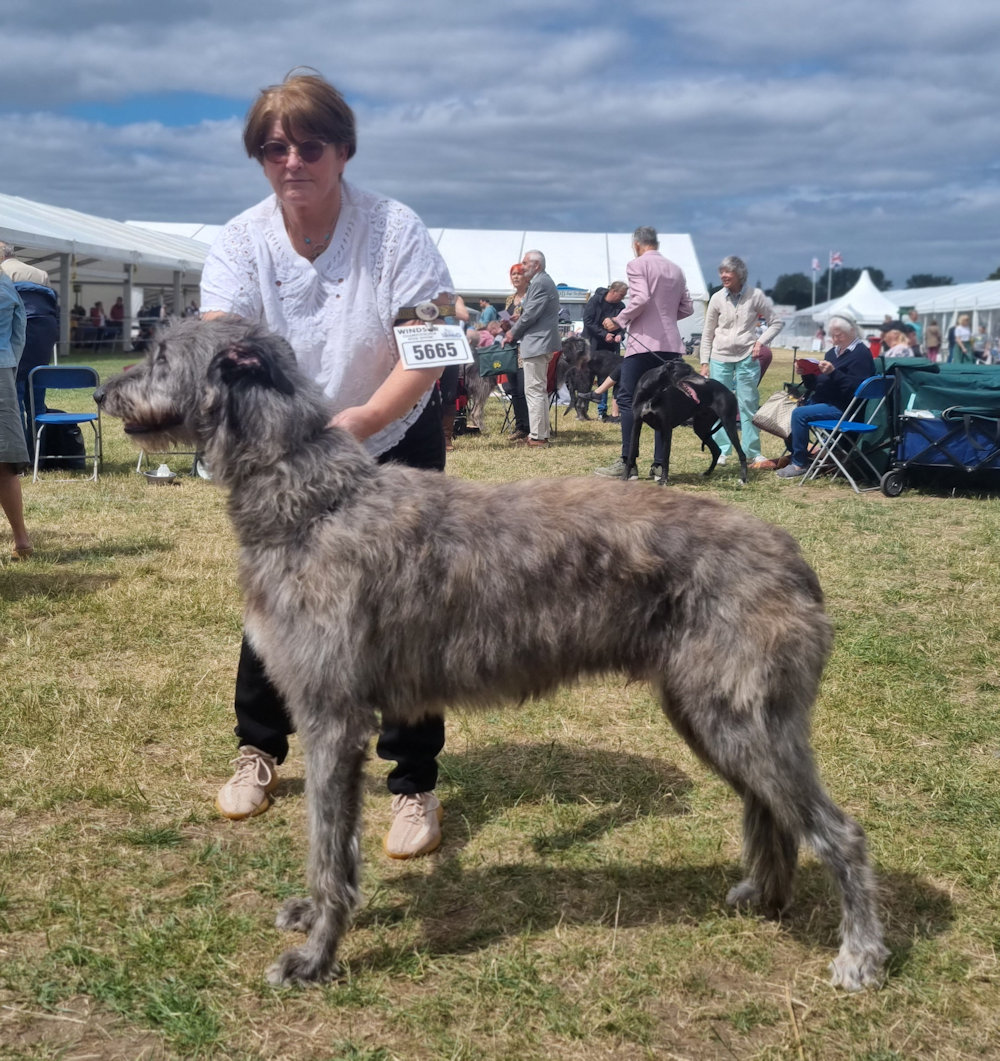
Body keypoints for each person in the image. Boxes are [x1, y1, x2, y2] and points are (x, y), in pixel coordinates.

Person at [199, 71, 454, 859]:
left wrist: (368, 417)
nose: (292, 161)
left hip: (394, 430)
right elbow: (225, 350)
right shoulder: (241, 241)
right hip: (285, 452)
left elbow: (433, 347)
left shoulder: (395, 229)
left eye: (310, 146)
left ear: (343, 150)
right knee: (278, 603)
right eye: (274, 148)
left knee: (409, 613)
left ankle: (413, 785)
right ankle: (261, 748)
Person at [593, 226, 692, 480]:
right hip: (671, 346)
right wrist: (665, 318)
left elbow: (641, 299)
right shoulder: (676, 269)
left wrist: (618, 320)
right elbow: (687, 308)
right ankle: (659, 466)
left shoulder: (637, 265)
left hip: (643, 345)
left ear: (636, 244)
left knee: (627, 400)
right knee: (664, 403)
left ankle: (628, 463)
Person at [698, 255, 784, 471]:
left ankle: (752, 451)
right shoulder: (717, 298)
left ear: (740, 274)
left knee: (748, 404)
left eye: (728, 272)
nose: (723, 276)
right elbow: (707, 333)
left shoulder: (755, 296)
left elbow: (777, 322)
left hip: (747, 356)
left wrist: (760, 342)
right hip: (719, 356)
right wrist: (704, 361)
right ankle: (722, 450)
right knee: (718, 406)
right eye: (721, 272)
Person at [776, 314, 875, 478]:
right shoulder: (832, 353)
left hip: (845, 408)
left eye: (839, 335)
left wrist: (833, 373)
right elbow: (818, 385)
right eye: (833, 335)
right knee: (790, 410)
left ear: (852, 331)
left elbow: (856, 389)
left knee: (799, 414)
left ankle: (799, 464)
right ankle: (801, 454)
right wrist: (806, 373)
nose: (835, 339)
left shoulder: (861, 354)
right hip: (826, 402)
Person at [504, 250, 561, 447]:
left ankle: (537, 437)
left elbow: (530, 316)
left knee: (534, 391)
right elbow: (532, 313)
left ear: (536, 265)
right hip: (541, 342)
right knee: (539, 390)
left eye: (525, 263)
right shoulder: (543, 281)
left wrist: (512, 333)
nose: (522, 266)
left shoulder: (539, 282)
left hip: (537, 343)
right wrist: (519, 318)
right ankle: (540, 434)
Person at [0, 271, 32, 560]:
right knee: (5, 463)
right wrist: (9, 364)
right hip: (1, 370)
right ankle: (21, 540)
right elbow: (19, 330)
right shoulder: (6, 285)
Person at [581, 281, 626, 421]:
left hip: (610, 349)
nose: (622, 298)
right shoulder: (595, 301)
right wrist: (603, 334)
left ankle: (602, 412)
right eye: (621, 295)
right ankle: (582, 411)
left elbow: (623, 325)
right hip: (592, 346)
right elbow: (588, 321)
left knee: (608, 378)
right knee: (587, 378)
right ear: (612, 291)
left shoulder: (621, 306)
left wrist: (620, 335)